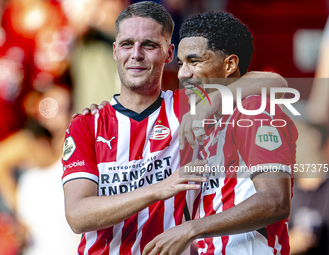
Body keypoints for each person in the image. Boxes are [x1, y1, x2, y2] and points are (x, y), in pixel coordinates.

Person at [63, 2, 287, 254]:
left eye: (149, 45)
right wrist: (159, 189)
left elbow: (274, 81)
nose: (136, 54)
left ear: (169, 54)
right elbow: (77, 215)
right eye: (127, 44)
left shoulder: (189, 106)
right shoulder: (86, 124)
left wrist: (214, 99)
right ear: (115, 51)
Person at [142, 11, 297, 255]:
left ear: (229, 65)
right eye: (181, 63)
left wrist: (191, 229)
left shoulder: (253, 112)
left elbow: (275, 202)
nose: (183, 73)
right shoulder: (200, 117)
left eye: (195, 61)